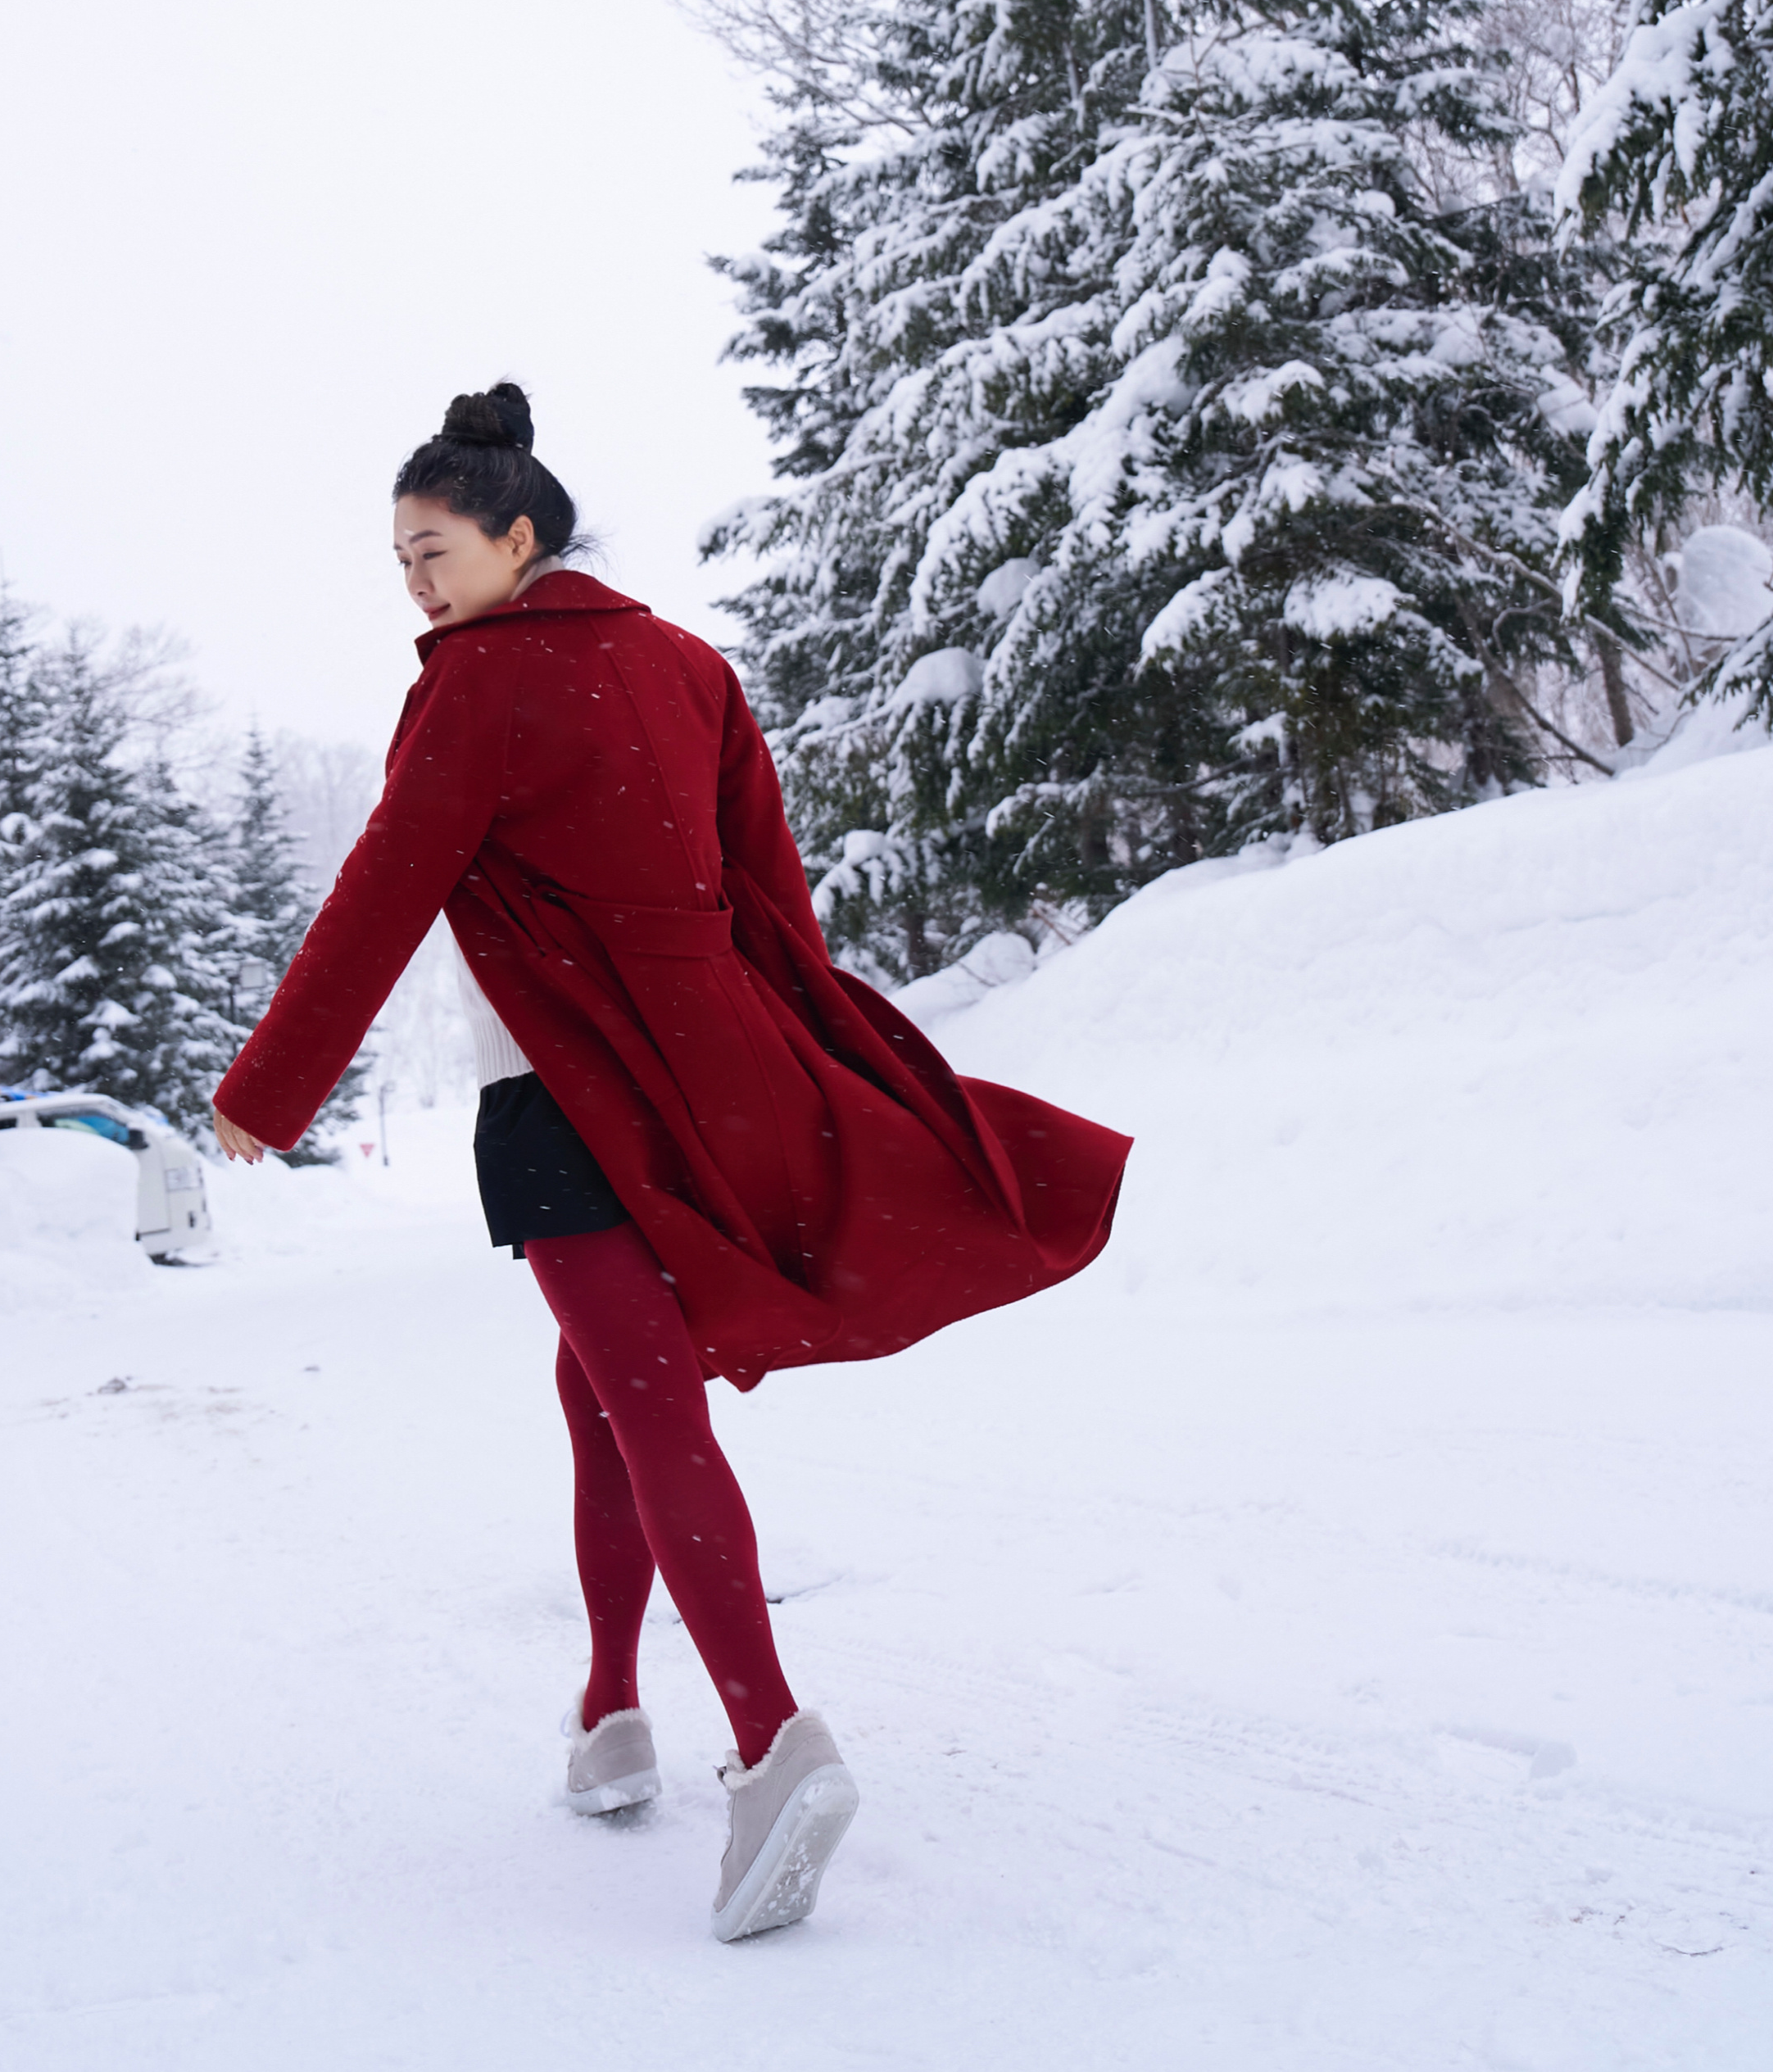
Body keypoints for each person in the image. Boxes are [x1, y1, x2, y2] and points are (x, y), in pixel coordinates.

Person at [212, 384, 1130, 1943]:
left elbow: (382, 890)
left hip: (563, 1094)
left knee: (643, 1407)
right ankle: (610, 1712)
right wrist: (799, 1048)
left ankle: (773, 1743)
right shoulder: (690, 665)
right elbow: (772, 894)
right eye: (398, 563)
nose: (415, 588)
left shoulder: (472, 687)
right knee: (603, 1397)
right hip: (709, 1075)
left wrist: (270, 1086)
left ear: (519, 540)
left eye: (433, 552)